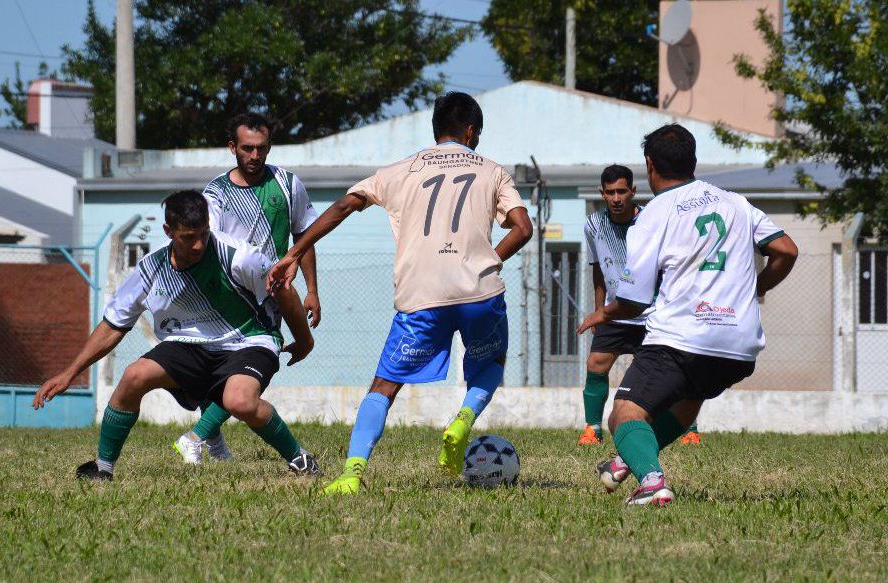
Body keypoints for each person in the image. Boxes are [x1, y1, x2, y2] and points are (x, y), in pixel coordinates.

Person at [268, 91, 533, 495]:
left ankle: (352, 474)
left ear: (435, 130)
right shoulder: (493, 171)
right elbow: (523, 227)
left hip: (420, 295)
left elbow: (343, 206)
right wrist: (487, 261)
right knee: (490, 361)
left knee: (384, 387)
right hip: (479, 292)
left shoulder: (400, 170)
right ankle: (463, 419)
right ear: (471, 131)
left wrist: (293, 253)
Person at [577, 124, 798, 506]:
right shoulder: (735, 202)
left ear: (649, 165)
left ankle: (651, 482)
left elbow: (635, 299)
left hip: (684, 337)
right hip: (739, 346)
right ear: (693, 161)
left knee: (624, 415)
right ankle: (624, 461)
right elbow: (787, 251)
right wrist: (757, 288)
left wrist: (604, 314)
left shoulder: (654, 214)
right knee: (687, 402)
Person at [33, 190, 321, 480]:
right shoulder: (151, 268)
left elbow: (284, 289)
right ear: (168, 232)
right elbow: (112, 326)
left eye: (204, 234)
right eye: (188, 237)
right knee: (134, 375)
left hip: (247, 340)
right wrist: (70, 373)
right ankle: (103, 468)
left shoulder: (239, 257)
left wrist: (304, 340)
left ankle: (300, 459)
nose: (198, 245)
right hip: (190, 345)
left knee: (240, 401)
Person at [173, 112, 321, 464]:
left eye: (262, 148)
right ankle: (197, 437)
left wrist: (313, 288)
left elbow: (305, 235)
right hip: (229, 294)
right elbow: (209, 246)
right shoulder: (216, 194)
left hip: (273, 293)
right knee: (244, 369)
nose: (255, 156)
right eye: (247, 149)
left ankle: (210, 441)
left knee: (234, 369)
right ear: (232, 148)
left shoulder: (287, 184)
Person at [578, 164, 701, 446]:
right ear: (602, 194)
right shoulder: (594, 225)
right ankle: (592, 429)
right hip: (615, 311)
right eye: (610, 192)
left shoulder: (651, 219)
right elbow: (597, 269)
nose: (617, 198)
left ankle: (689, 428)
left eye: (622, 191)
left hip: (653, 313)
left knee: (670, 372)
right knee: (596, 363)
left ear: (633, 191)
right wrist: (600, 312)